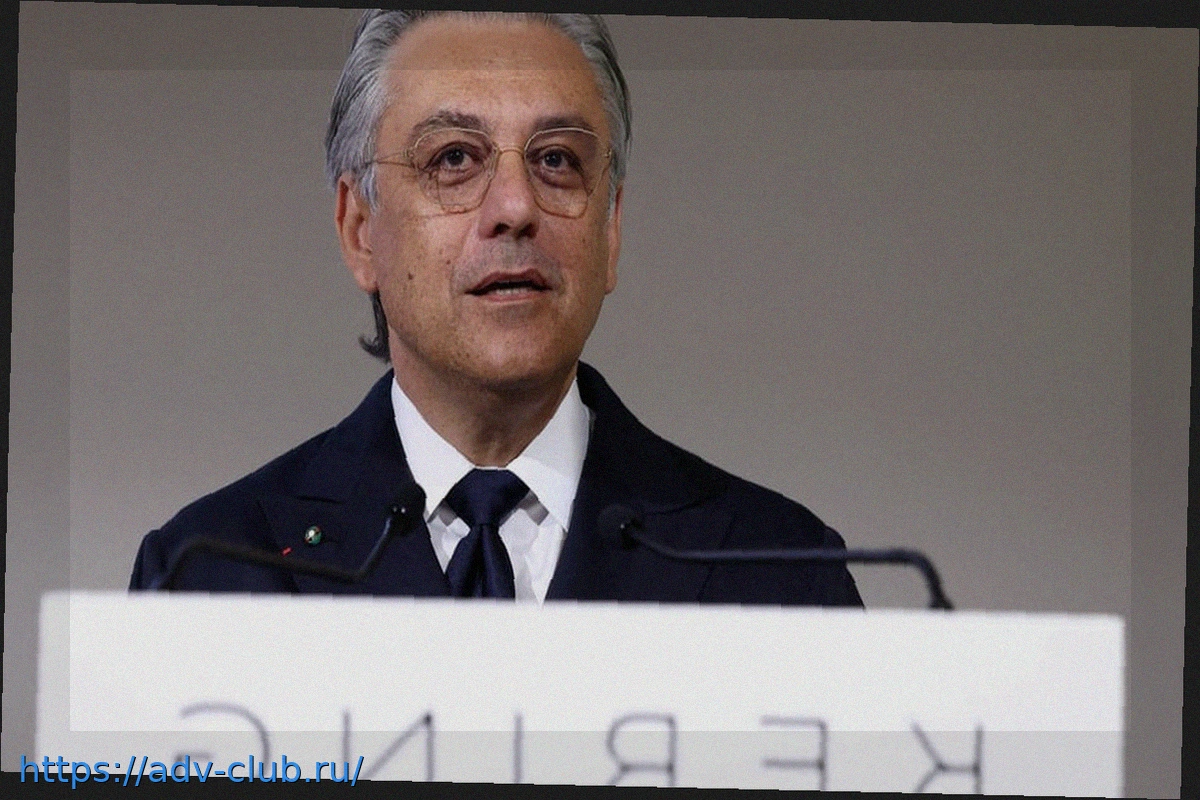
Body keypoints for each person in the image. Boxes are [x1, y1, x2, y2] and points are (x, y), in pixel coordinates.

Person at [129, 10, 862, 606]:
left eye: (556, 160)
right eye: (453, 158)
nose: (515, 207)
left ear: (610, 229)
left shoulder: (779, 571)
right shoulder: (208, 570)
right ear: (360, 231)